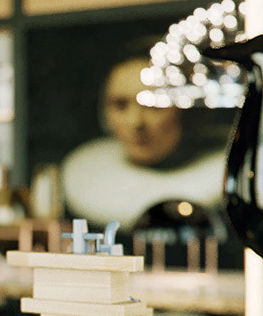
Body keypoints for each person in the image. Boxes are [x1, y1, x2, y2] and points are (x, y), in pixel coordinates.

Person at [59, 55, 227, 233]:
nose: (136, 122)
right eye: (121, 105)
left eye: (153, 105)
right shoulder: (82, 184)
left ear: (186, 111)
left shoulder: (220, 191)